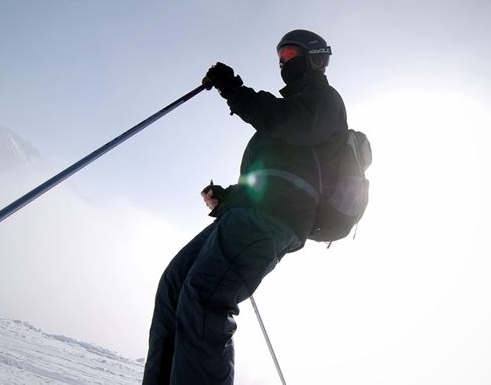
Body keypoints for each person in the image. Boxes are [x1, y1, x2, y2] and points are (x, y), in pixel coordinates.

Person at [142, 29, 348, 385]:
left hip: (276, 221)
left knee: (205, 295)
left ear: (316, 57)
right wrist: (227, 198)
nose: (283, 63)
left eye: (290, 54)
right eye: (280, 57)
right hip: (252, 214)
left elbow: (290, 142)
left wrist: (233, 89)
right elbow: (272, 180)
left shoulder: (323, 102)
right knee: (174, 285)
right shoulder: (285, 118)